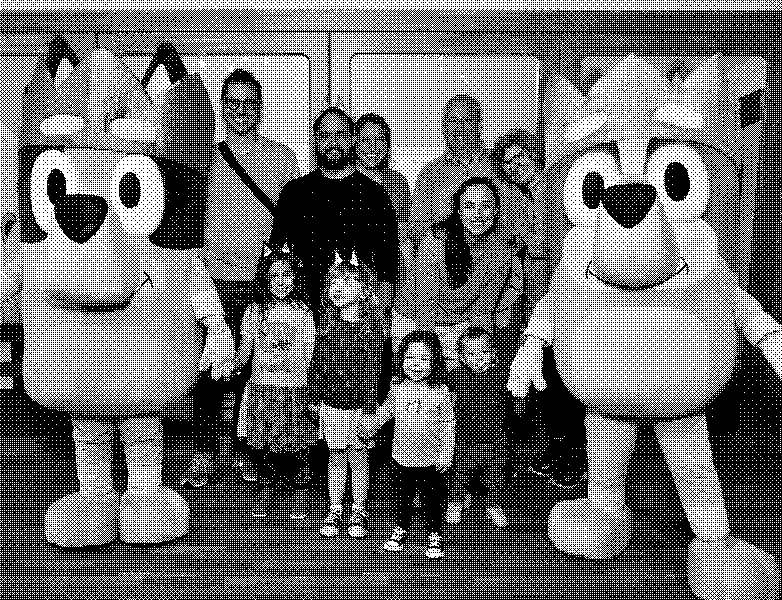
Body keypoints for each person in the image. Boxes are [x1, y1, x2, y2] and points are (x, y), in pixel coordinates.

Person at [182, 68, 301, 489]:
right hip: (213, 281)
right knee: (210, 372)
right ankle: (206, 452)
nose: (240, 111)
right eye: (232, 103)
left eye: (249, 104)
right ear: (221, 106)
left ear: (261, 108)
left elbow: (292, 223)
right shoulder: (204, 156)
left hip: (263, 283)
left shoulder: (283, 158)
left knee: (260, 371)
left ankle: (251, 451)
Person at [492, 130, 587, 490]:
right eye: (507, 163)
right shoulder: (516, 199)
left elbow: (568, 240)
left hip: (569, 296)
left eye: (519, 156)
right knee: (545, 377)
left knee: (571, 377)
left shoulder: (559, 187)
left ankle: (578, 456)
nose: (515, 166)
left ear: (534, 154)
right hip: (534, 297)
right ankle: (558, 448)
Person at [269, 107, 398, 320]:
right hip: (305, 319)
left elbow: (388, 265)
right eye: (325, 136)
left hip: (359, 320)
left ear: (353, 139)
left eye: (340, 134)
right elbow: (276, 255)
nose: (332, 142)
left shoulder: (374, 195)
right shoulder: (294, 193)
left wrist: (378, 318)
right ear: (315, 142)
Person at [393, 177, 525, 371]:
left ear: (496, 210)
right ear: (459, 211)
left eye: (486, 206)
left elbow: (484, 309)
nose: (478, 214)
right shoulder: (436, 239)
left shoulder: (502, 251)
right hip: (414, 317)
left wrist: (479, 348)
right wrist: (428, 350)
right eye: (469, 206)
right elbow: (424, 301)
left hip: (459, 322)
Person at [232, 243, 317, 520]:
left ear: (296, 278)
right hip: (262, 388)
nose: (281, 281)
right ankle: (265, 490)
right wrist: (233, 365)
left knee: (298, 448)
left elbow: (308, 351)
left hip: (294, 389)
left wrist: (303, 380)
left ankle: (299, 492)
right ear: (265, 279)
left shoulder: (304, 311)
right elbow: (245, 349)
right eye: (274, 276)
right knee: (264, 448)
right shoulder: (255, 311)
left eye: (287, 275)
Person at [308, 252, 384, 539]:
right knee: (337, 456)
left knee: (359, 456)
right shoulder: (326, 326)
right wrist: (315, 398)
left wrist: (370, 409)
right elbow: (317, 364)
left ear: (363, 290)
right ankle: (336, 507)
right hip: (332, 405)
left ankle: (359, 509)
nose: (338, 289)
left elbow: (375, 371)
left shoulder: (372, 329)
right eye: (334, 284)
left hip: (360, 406)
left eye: (348, 283)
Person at [367, 330, 455, 560]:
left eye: (424, 358)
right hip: (402, 456)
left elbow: (448, 424)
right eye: (410, 358)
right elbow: (385, 411)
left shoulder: (441, 391)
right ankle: (401, 527)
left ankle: (435, 532)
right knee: (402, 497)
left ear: (435, 362)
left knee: (433, 500)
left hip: (432, 458)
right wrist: (370, 426)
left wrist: (446, 454)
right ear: (401, 359)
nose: (416, 364)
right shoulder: (397, 387)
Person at [445, 326, 521, 529]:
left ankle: (493, 505)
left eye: (484, 352)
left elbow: (516, 399)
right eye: (471, 354)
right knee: (459, 473)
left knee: (496, 475)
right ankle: (455, 502)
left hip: (496, 438)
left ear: (493, 353)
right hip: (464, 438)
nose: (478, 358)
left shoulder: (502, 375)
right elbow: (444, 399)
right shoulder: (456, 376)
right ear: (461, 357)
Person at [407, 95, 495, 250]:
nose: (460, 127)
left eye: (467, 120)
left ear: (480, 126)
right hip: (447, 257)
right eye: (453, 121)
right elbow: (417, 228)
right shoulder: (430, 174)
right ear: (444, 128)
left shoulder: (500, 164)